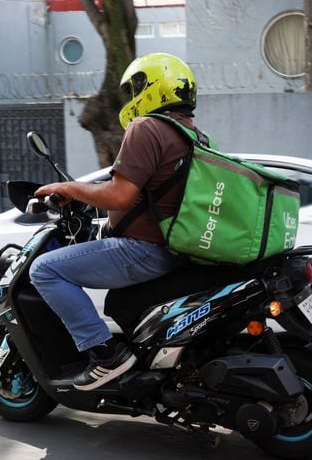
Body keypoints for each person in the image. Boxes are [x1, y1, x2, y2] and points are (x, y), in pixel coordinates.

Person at [30, 53, 201, 390]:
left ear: (151, 87)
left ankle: (106, 355)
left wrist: (68, 187)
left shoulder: (148, 127)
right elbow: (151, 196)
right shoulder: (192, 135)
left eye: (134, 88)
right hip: (175, 249)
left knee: (45, 270)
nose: (131, 98)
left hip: (144, 251)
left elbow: (121, 195)